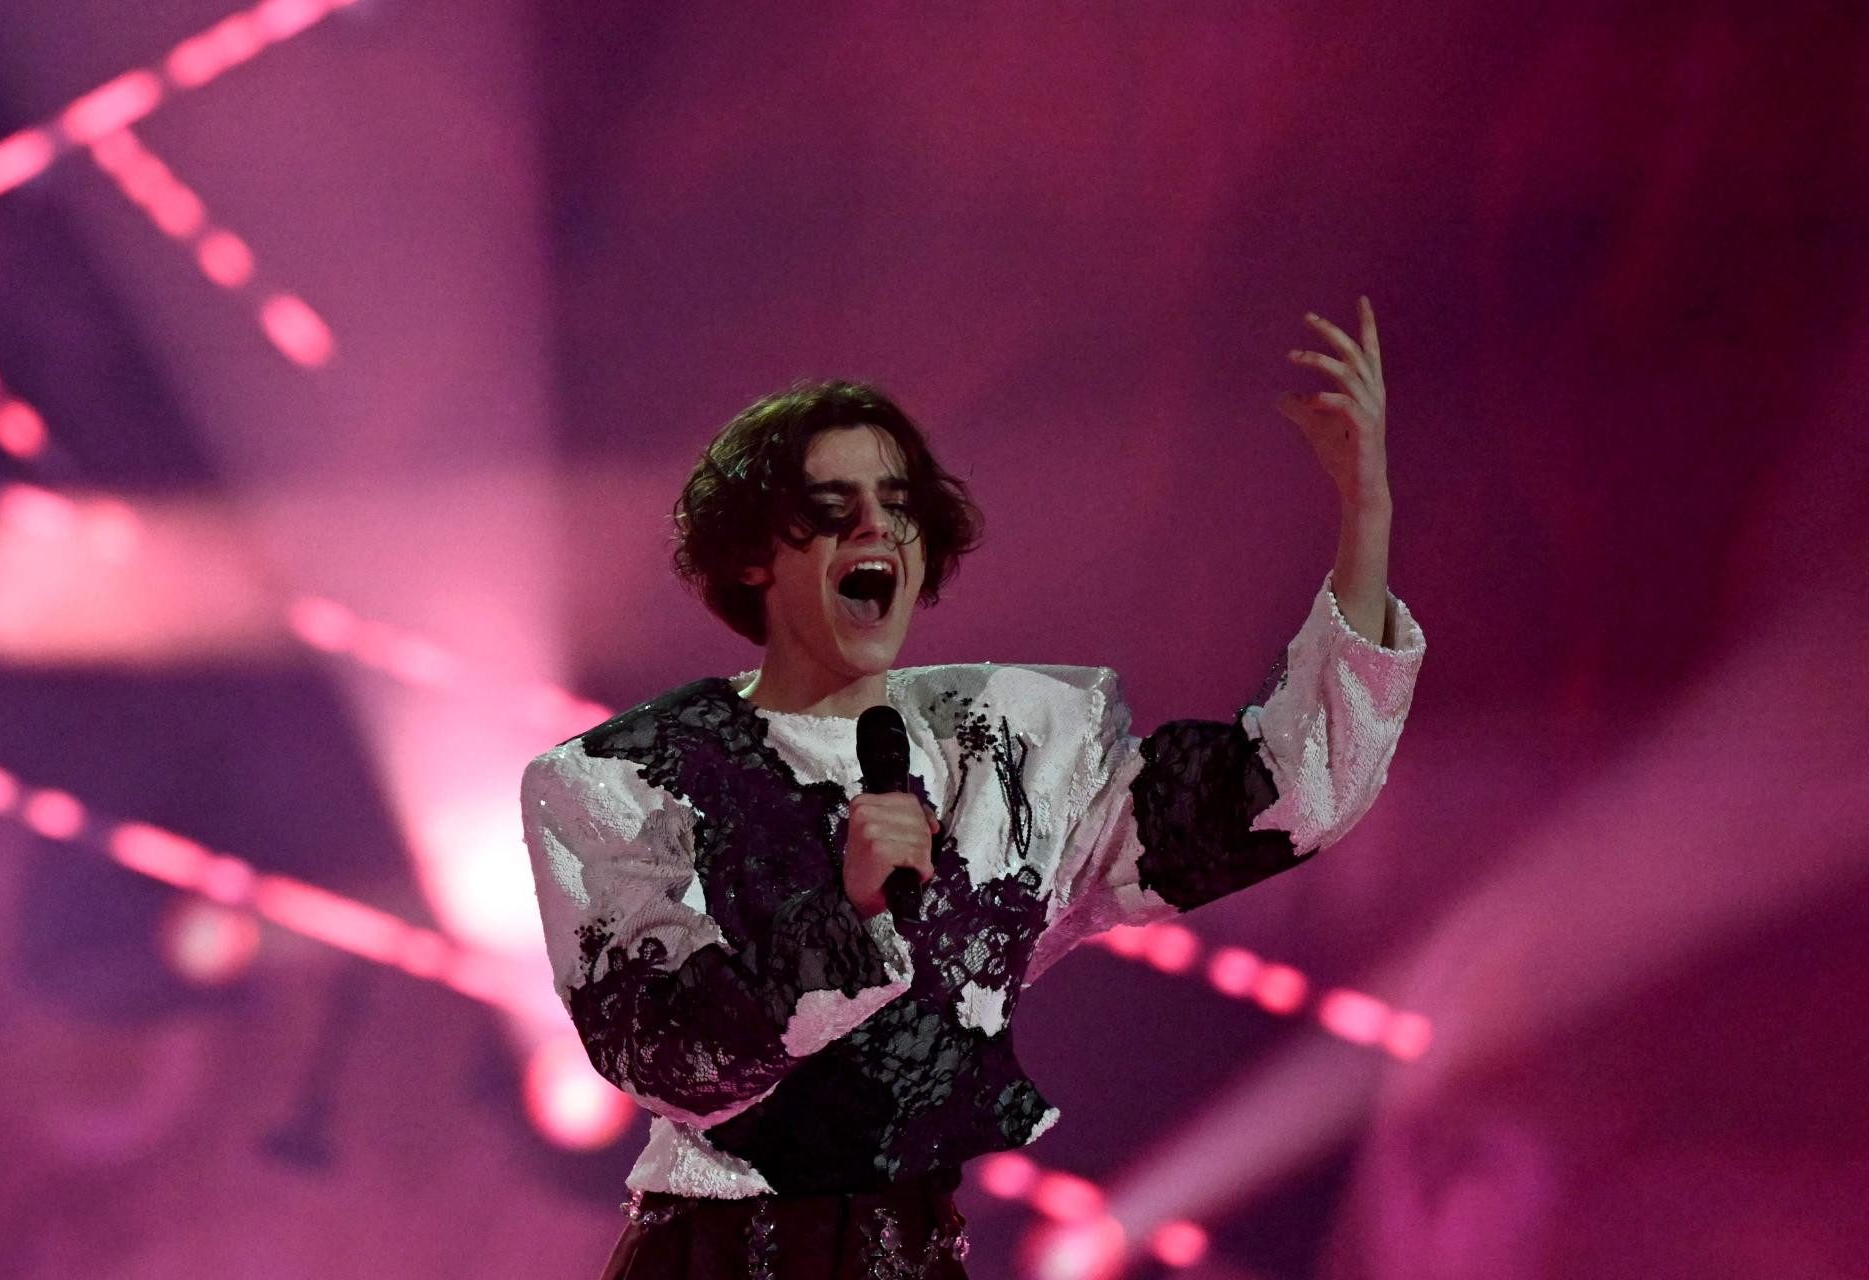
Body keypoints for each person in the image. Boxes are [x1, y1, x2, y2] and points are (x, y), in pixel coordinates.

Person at [521, 298, 1425, 1278]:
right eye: (832, 507)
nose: (876, 525)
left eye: (897, 504)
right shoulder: (624, 779)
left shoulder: (1007, 751)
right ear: (751, 554)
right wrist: (847, 916)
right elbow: (671, 1060)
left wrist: (1366, 519)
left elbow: (1286, 793)